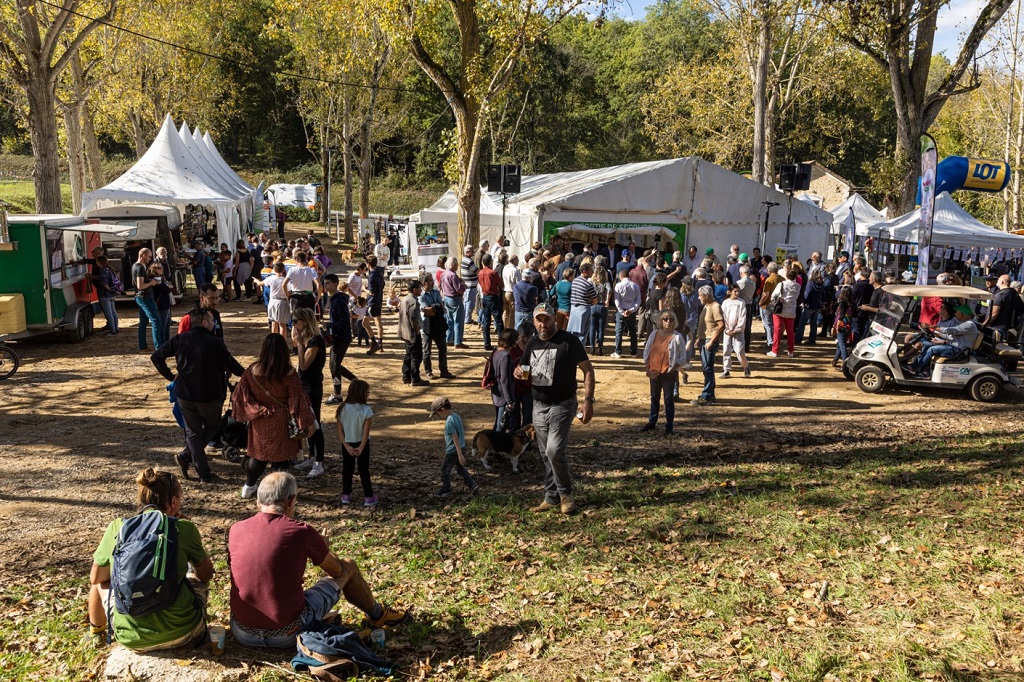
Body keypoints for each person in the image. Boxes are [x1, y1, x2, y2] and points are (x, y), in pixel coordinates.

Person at [228, 473, 407, 647]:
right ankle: (377, 615)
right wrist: (323, 548)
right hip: (288, 633)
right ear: (291, 501)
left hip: (241, 632)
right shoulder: (301, 531)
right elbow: (337, 571)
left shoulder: (235, 530)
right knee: (349, 567)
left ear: (258, 502)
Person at [87, 467, 214, 651]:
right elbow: (206, 574)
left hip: (131, 638)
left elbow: (96, 578)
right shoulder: (184, 528)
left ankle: (96, 634)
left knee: (99, 584)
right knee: (192, 576)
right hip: (183, 631)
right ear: (173, 501)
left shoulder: (118, 528)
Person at [513, 304, 595, 515]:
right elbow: (525, 373)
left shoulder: (569, 341)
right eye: (539, 320)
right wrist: (518, 372)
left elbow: (587, 371)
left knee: (554, 450)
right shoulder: (531, 343)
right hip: (539, 404)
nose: (543, 324)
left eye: (547, 319)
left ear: (554, 319)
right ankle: (551, 497)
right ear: (534, 321)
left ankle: (566, 494)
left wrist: (588, 401)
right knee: (545, 453)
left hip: (563, 404)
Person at [152, 309, 245, 483]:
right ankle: (189, 457)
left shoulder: (180, 340)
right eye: (211, 320)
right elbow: (232, 365)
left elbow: (156, 356)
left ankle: (202, 472)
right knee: (213, 426)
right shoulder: (215, 343)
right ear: (203, 322)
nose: (214, 323)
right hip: (208, 395)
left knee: (193, 433)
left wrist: (171, 376)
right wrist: (250, 375)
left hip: (185, 394)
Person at [231, 334, 317, 499]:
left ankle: (248, 487)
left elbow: (241, 395)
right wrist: (308, 422)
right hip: (281, 422)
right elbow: (297, 400)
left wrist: (256, 409)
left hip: (260, 421)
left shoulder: (252, 370)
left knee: (258, 456)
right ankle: (277, 493)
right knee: (281, 459)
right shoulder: (289, 373)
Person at [290, 308, 328, 478]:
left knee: (314, 424)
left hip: (312, 387)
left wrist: (299, 344)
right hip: (304, 385)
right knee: (306, 422)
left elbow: (304, 365)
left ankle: (319, 461)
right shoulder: (309, 340)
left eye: (295, 321)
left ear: (304, 321)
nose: (293, 324)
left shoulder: (316, 341)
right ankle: (312, 456)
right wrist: (298, 342)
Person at [642, 310, 685, 435]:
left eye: (671, 319)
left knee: (668, 400)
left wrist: (673, 369)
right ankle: (652, 422)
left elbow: (683, 357)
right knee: (654, 397)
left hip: (668, 373)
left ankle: (669, 426)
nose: (668, 322)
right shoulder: (654, 334)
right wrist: (647, 367)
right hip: (654, 371)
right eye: (665, 319)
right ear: (660, 321)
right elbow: (647, 350)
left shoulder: (677, 337)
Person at [336, 380, 376, 506]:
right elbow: (366, 432)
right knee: (364, 469)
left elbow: (340, 431)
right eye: (367, 393)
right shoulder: (366, 410)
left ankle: (346, 495)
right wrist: (361, 447)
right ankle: (368, 496)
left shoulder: (342, 409)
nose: (368, 395)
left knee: (347, 469)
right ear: (361, 394)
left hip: (347, 443)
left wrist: (347, 446)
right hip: (362, 443)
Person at [909, 305, 981, 374]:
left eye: (957, 312)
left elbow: (951, 331)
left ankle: (914, 367)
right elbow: (951, 337)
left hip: (959, 351)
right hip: (953, 347)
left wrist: (931, 326)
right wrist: (937, 337)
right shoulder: (962, 323)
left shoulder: (969, 325)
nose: (955, 314)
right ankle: (925, 371)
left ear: (962, 314)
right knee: (926, 346)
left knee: (932, 349)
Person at [430, 396, 478, 497]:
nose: (438, 416)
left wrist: (459, 454)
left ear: (442, 409)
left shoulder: (449, 422)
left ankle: (446, 489)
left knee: (445, 470)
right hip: (462, 447)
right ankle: (472, 485)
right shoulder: (456, 416)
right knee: (460, 469)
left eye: (437, 413)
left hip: (453, 450)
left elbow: (455, 437)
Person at [322, 275, 359, 405]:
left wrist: (330, 326)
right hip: (337, 336)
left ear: (335, 284)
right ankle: (356, 382)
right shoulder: (334, 299)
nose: (325, 286)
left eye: (328, 283)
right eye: (324, 284)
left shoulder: (338, 301)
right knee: (334, 364)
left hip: (342, 337)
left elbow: (344, 322)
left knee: (334, 365)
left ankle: (338, 394)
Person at [691, 286, 724, 406]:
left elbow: (721, 325)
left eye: (700, 295)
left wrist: (711, 341)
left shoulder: (715, 307)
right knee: (707, 367)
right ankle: (710, 394)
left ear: (706, 295)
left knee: (707, 368)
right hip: (705, 339)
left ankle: (706, 395)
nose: (698, 297)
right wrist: (700, 338)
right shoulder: (706, 306)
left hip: (710, 340)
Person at [398, 278, 430, 386]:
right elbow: (413, 319)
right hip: (412, 333)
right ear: (415, 289)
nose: (421, 290)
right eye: (420, 288)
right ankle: (415, 378)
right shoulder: (413, 302)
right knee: (416, 356)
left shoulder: (405, 299)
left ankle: (406, 376)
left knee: (408, 355)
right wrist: (416, 332)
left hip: (405, 332)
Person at [767, 268, 801, 358]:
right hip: (791, 310)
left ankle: (775, 351)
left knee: (777, 330)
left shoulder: (781, 284)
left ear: (786, 276)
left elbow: (774, 295)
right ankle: (791, 351)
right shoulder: (798, 286)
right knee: (790, 331)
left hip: (780, 310)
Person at [133, 248, 162, 351]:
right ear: (143, 255)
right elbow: (140, 285)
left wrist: (149, 280)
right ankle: (159, 347)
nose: (150, 259)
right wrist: (151, 283)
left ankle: (143, 346)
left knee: (143, 322)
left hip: (141, 297)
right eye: (149, 257)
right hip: (144, 297)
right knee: (156, 321)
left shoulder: (136, 266)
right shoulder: (140, 267)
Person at [720, 284, 750, 378]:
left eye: (738, 291)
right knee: (726, 350)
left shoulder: (741, 302)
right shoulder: (725, 303)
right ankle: (726, 370)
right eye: (735, 291)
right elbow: (723, 316)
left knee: (740, 351)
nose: (737, 293)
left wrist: (737, 329)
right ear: (730, 292)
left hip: (738, 331)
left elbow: (742, 317)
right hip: (727, 330)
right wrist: (727, 329)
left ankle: (745, 366)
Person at [490, 329, 518, 432]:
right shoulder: (505, 356)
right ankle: (496, 445)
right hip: (503, 395)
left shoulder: (496, 352)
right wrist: (510, 400)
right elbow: (505, 380)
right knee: (501, 424)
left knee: (498, 420)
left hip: (496, 392)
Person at [440, 257, 468, 349]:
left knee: (450, 320)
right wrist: (464, 286)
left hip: (446, 298)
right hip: (455, 299)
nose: (457, 267)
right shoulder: (453, 275)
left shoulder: (443, 274)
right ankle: (458, 341)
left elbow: (441, 286)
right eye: (456, 265)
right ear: (453, 265)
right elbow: (458, 289)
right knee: (458, 321)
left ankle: (449, 339)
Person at [612, 268, 640, 358]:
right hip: (631, 311)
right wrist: (632, 310)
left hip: (622, 311)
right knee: (632, 331)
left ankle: (618, 351)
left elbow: (617, 300)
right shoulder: (635, 286)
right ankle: (634, 351)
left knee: (619, 332)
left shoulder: (618, 285)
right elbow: (638, 300)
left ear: (621, 276)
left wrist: (622, 311)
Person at [478, 254, 504, 350]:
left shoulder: (480, 273)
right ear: (490, 262)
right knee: (498, 321)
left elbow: (480, 283)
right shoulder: (492, 273)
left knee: (486, 321)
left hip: (485, 297)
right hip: (493, 297)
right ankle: (501, 343)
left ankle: (486, 343)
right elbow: (501, 284)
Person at [568, 262, 597, 345]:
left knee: (573, 332)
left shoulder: (574, 281)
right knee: (582, 334)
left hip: (574, 309)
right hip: (584, 309)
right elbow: (595, 301)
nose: (592, 272)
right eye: (591, 270)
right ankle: (579, 353)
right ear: (585, 271)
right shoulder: (588, 284)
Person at [283, 252, 320, 317]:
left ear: (296, 259)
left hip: (296, 297)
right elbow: (319, 284)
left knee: (296, 320)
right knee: (309, 320)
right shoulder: (311, 270)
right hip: (308, 296)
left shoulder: (292, 270)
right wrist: (318, 297)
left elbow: (284, 284)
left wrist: (287, 295)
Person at [364, 255, 386, 353]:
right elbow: (383, 285)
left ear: (368, 264)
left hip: (372, 302)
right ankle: (380, 344)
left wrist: (364, 289)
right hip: (379, 300)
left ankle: (374, 343)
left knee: (364, 323)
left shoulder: (371, 275)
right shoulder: (379, 273)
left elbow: (371, 292)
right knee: (378, 323)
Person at [94, 255, 120, 335]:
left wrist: (110, 289)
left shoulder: (103, 270)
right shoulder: (110, 269)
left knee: (109, 314)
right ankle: (116, 328)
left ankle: (113, 331)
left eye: (97, 261)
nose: (96, 263)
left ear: (99, 262)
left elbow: (105, 283)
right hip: (112, 295)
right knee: (114, 312)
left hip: (105, 294)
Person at [150, 262, 173, 347]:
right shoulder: (155, 279)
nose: (161, 269)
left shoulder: (161, 278)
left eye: (161, 268)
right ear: (154, 269)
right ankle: (162, 343)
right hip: (161, 304)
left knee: (167, 323)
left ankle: (166, 341)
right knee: (162, 324)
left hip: (165, 303)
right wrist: (168, 288)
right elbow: (164, 290)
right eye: (159, 268)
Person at [460, 245, 480, 327]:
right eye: (472, 251)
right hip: (470, 285)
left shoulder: (464, 259)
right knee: (469, 303)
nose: (473, 252)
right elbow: (477, 271)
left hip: (467, 285)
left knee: (466, 302)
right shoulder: (469, 261)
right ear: (468, 252)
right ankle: (467, 319)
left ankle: (466, 317)